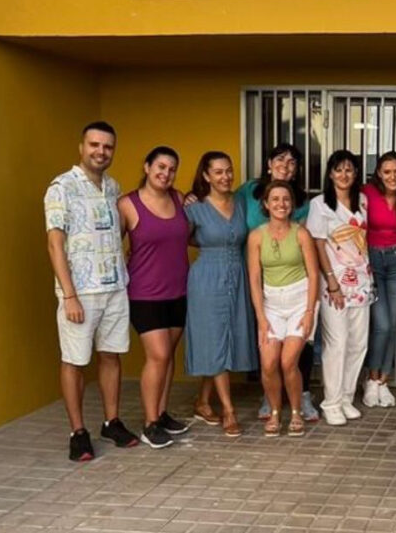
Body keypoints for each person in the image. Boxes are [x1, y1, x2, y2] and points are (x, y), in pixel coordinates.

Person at [45, 121, 139, 462]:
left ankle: (111, 421)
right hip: (80, 292)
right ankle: (78, 432)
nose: (101, 152)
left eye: (108, 147)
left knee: (111, 354)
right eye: (94, 145)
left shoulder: (113, 187)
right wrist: (69, 295)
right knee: (74, 360)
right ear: (82, 146)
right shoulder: (62, 187)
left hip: (115, 286)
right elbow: (55, 243)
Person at [238, 143, 319, 424]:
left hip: (297, 293)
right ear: (269, 163)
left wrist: (310, 310)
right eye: (281, 159)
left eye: (293, 162)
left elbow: (312, 271)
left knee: (292, 358)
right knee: (270, 360)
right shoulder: (247, 192)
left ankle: (300, 400)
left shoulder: (301, 213)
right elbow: (220, 200)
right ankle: (272, 402)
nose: (287, 165)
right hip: (267, 291)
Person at [117, 146, 190, 450]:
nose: (166, 173)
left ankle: (160, 413)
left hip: (178, 290)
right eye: (160, 167)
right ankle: (149, 424)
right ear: (147, 167)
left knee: (168, 355)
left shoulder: (180, 198)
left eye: (171, 169)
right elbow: (112, 249)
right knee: (157, 356)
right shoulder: (127, 205)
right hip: (145, 294)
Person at [185, 151, 257, 438]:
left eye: (228, 171)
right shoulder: (194, 208)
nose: (225, 176)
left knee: (228, 337)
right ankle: (228, 410)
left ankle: (203, 401)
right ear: (206, 176)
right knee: (214, 339)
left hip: (237, 274)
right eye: (218, 172)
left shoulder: (240, 202)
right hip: (207, 277)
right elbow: (183, 238)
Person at [307, 150, 373, 426]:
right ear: (330, 174)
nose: (344, 175)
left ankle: (346, 397)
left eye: (349, 169)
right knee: (337, 343)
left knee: (359, 343)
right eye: (338, 170)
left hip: (362, 279)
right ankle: (331, 401)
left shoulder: (363, 201)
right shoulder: (320, 204)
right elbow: (318, 244)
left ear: (356, 173)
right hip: (334, 283)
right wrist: (331, 281)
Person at [361, 151, 396, 408]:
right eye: (387, 172)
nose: (392, 176)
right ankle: (370, 379)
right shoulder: (366, 194)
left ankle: (383, 381)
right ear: (378, 174)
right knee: (381, 324)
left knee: (393, 323)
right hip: (371, 262)